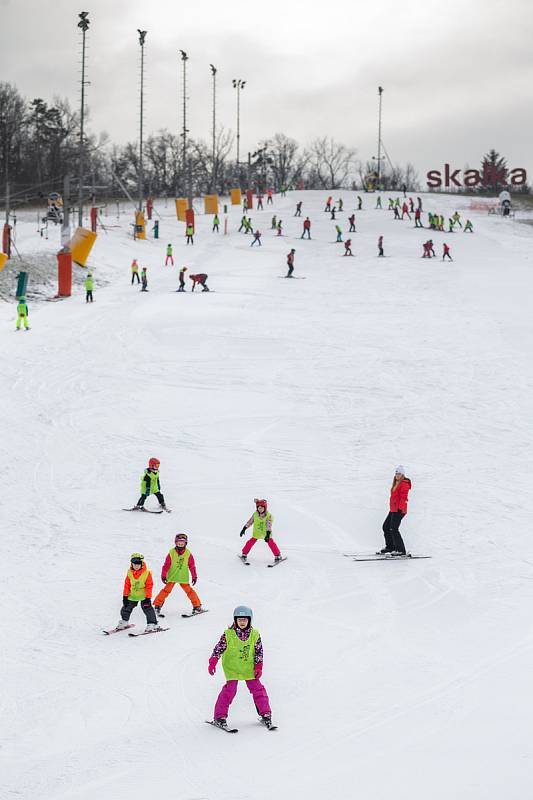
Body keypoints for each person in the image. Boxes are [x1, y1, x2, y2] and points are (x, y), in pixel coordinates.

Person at [208, 605, 273, 730]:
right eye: (239, 620)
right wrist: (213, 661)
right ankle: (219, 717)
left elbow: (259, 651)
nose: (242, 622)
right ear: (235, 620)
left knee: (258, 689)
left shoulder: (255, 634)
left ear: (249, 620)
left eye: (244, 620)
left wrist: (258, 666)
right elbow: (219, 648)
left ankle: (266, 713)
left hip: (249, 667)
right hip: (232, 667)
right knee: (229, 691)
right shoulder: (228, 634)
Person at [154, 533, 203, 616]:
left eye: (182, 543)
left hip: (182, 576)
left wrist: (194, 576)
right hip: (172, 576)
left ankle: (197, 606)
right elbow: (166, 565)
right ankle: (157, 606)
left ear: (185, 543)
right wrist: (163, 575)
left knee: (190, 591)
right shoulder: (171, 553)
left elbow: (192, 566)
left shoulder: (188, 554)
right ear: (175, 543)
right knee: (165, 591)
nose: (180, 544)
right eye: (178, 543)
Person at [115, 553, 160, 632]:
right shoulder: (129, 572)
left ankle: (153, 624)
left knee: (147, 609)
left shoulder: (147, 573)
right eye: (134, 564)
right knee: (126, 608)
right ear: (131, 564)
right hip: (132, 595)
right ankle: (124, 622)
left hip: (144, 596)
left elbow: (149, 586)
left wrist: (148, 597)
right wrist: (125, 596)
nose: (136, 566)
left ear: (142, 564)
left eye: (138, 564)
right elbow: (127, 584)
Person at [379, 466, 411, 555]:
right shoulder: (396, 483)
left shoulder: (404, 483)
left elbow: (403, 497)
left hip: (399, 510)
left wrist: (400, 508)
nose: (397, 475)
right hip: (393, 509)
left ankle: (401, 550)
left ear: (403, 474)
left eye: (399, 474)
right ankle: (390, 547)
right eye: (396, 473)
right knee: (386, 526)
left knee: (394, 529)